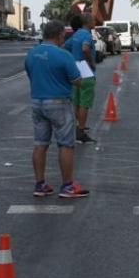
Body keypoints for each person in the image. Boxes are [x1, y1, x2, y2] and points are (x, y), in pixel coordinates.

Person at [24, 20, 90, 199]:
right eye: (63, 36)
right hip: (59, 102)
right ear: (59, 35)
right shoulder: (63, 55)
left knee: (40, 144)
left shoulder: (31, 54)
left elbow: (30, 75)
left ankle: (40, 184)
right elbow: (77, 80)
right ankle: (68, 186)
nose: (64, 38)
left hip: (37, 102)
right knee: (66, 144)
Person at [65, 13, 97, 144]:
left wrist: (71, 61)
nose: (95, 22)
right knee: (85, 102)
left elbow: (64, 47)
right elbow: (85, 49)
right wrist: (91, 62)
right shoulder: (86, 35)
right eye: (93, 20)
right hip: (86, 70)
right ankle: (81, 131)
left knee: (77, 101)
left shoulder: (76, 35)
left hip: (75, 71)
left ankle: (78, 126)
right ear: (88, 22)